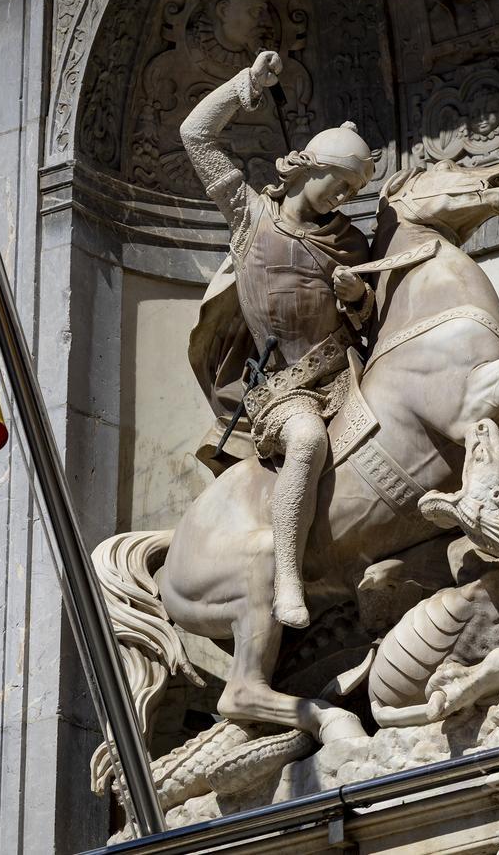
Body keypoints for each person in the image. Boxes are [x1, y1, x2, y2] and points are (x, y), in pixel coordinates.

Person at [181, 50, 377, 629]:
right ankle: (287, 573)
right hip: (284, 390)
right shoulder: (248, 215)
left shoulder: (352, 245)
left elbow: (373, 321)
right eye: (339, 184)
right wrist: (246, 84)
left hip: (350, 374)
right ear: (309, 168)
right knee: (309, 440)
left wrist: (359, 297)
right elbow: (195, 134)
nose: (343, 198)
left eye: (352, 190)